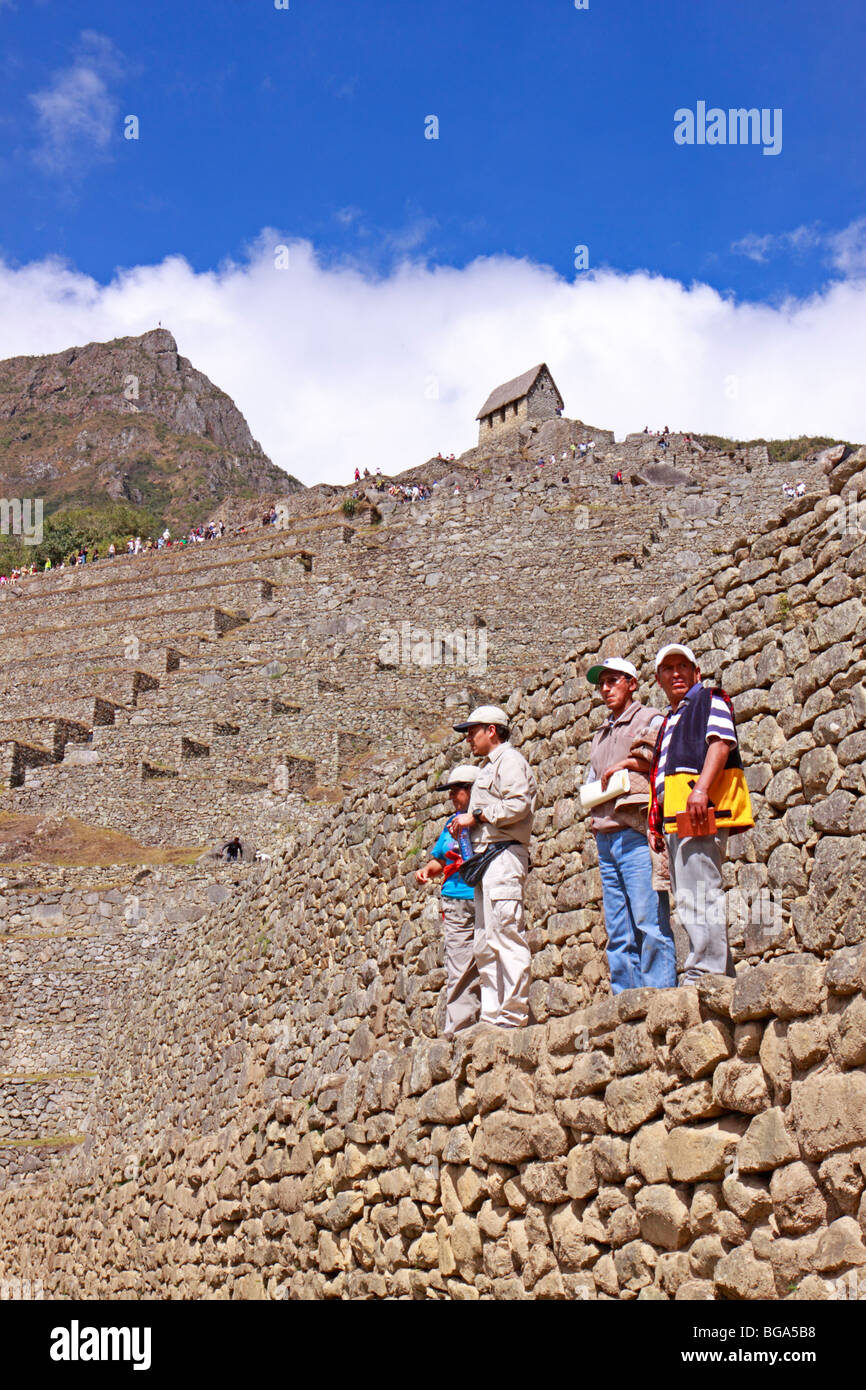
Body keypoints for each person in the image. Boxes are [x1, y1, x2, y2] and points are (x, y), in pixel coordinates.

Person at [649, 643, 754, 982]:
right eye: (668, 668)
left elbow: (721, 742)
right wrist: (656, 820)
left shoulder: (710, 700)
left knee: (699, 891)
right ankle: (718, 972)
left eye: (683, 666)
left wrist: (702, 789)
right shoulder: (671, 718)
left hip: (697, 810)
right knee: (688, 895)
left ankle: (704, 972)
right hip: (677, 817)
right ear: (659, 678)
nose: (676, 673)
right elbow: (663, 775)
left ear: (696, 673)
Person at [584, 658, 676, 991]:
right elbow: (593, 778)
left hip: (635, 831)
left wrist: (624, 762)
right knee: (619, 929)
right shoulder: (601, 733)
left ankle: (662, 997)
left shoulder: (649, 718)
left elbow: (656, 752)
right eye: (602, 684)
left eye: (612, 681)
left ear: (631, 683)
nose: (606, 689)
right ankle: (627, 1000)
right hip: (606, 835)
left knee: (649, 920)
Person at [451, 704, 537, 1029]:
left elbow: (518, 803)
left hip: (502, 855)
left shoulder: (510, 762)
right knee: (485, 940)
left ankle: (512, 1013)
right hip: (487, 859)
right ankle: (493, 1012)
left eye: (473, 731)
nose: (469, 738)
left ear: (491, 730)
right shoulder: (488, 768)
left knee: (506, 933)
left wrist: (478, 816)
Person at [415, 765, 481, 1036]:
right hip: (455, 899)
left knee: (491, 955)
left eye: (458, 791)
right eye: (451, 792)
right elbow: (440, 859)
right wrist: (426, 871)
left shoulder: (484, 818)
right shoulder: (450, 824)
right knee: (459, 962)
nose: (453, 797)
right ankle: (461, 1028)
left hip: (481, 894)